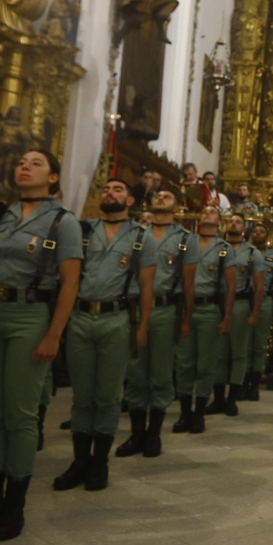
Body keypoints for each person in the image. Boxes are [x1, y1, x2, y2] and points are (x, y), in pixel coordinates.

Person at [0, 150, 81, 543]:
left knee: (20, 415)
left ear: (53, 177)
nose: (25, 166)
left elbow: (70, 283)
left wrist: (54, 334)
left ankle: (13, 504)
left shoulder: (63, 221)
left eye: (36, 163)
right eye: (22, 162)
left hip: (29, 315)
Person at [52, 179, 154, 493]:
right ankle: (79, 460)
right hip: (81, 318)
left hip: (116, 318)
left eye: (118, 189)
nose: (110, 192)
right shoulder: (81, 230)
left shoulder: (141, 236)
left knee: (108, 396)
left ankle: (100, 462)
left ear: (131, 199)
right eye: (107, 189)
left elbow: (147, 287)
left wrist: (142, 327)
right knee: (82, 396)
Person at [118, 190, 186, 459]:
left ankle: (154, 434)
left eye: (168, 196)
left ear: (176, 207)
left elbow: (188, 283)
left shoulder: (183, 239)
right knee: (135, 371)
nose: (161, 198)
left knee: (160, 373)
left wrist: (186, 319)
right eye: (158, 195)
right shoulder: (136, 234)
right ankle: (136, 433)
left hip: (165, 309)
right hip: (135, 308)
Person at [178, 203, 227, 430]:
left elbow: (231, 286)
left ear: (219, 222)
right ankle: (184, 413)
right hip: (185, 308)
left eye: (212, 212)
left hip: (209, 308)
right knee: (185, 363)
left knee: (205, 363)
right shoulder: (187, 243)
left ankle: (199, 413)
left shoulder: (224, 248)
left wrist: (226, 317)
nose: (207, 214)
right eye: (204, 211)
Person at [210, 211, 254, 416]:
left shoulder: (252, 252)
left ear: (243, 228)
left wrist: (254, 311)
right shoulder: (215, 248)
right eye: (230, 221)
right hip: (216, 303)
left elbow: (259, 286)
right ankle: (217, 398)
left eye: (238, 222)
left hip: (239, 303)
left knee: (238, 353)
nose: (233, 224)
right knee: (218, 353)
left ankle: (232, 399)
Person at [246, 220, 273, 401]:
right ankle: (241, 381)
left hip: (265, 300)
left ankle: (254, 383)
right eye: (256, 231)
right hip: (245, 300)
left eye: (262, 232)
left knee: (260, 344)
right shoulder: (244, 253)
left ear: (267, 237)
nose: (258, 234)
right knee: (244, 343)